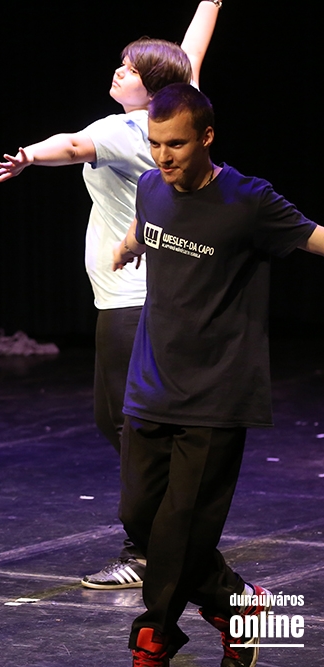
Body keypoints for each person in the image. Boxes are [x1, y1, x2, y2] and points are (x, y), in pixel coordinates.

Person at [0, 0, 221, 590]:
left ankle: (148, 548)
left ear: (152, 87)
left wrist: (28, 157)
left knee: (129, 427)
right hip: (153, 296)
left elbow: (72, 145)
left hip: (130, 301)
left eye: (130, 69)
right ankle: (173, 523)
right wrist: (210, 4)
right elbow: (191, 54)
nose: (119, 72)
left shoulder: (121, 130)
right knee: (121, 423)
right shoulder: (179, 115)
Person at [113, 83, 323, 667]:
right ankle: (240, 604)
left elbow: (313, 238)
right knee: (139, 517)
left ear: (206, 137)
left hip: (217, 391)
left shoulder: (248, 200)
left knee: (181, 526)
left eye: (176, 145)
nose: (163, 157)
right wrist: (126, 247)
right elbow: (147, 224)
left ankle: (154, 637)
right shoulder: (150, 185)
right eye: (155, 144)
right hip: (151, 382)